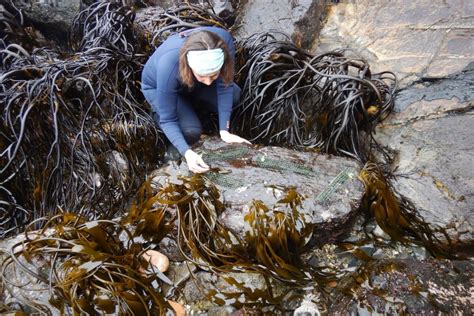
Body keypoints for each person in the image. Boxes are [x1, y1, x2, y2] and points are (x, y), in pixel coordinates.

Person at [141, 26, 250, 173]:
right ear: (189, 66)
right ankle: (157, 114)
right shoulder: (169, 65)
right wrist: (186, 152)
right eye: (202, 76)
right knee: (191, 131)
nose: (208, 82)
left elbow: (225, 85)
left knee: (235, 96)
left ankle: (190, 106)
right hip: (158, 87)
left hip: (190, 84)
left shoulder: (223, 42)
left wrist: (225, 131)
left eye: (213, 75)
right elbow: (169, 120)